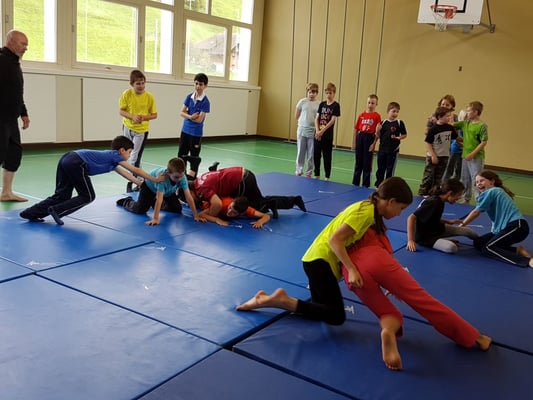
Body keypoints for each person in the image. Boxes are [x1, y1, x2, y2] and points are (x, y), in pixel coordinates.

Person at [237, 177, 413, 329]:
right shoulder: (365, 213)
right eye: (401, 208)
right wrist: (351, 269)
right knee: (336, 316)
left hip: (315, 260)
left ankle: (277, 300)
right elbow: (335, 240)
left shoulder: (367, 209)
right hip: (320, 263)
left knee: (317, 310)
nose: (399, 214)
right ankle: (282, 300)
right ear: (391, 201)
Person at [343, 227, 492, 370]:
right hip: (375, 257)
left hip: (350, 270)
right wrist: (393, 284)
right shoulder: (371, 223)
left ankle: (388, 330)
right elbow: (387, 256)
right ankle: (477, 338)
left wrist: (350, 269)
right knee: (424, 303)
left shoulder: (341, 229)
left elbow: (333, 250)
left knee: (386, 313)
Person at [19, 136, 165, 225]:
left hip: (67, 158)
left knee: (61, 195)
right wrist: (154, 179)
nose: (129, 155)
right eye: (129, 152)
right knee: (88, 196)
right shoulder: (115, 155)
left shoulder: (113, 161)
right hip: (77, 162)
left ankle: (30, 213)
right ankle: (56, 210)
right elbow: (135, 170)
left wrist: (140, 183)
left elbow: (126, 174)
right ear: (121, 150)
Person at [459, 170, 533, 268]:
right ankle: (517, 250)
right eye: (476, 182)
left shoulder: (492, 191)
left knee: (489, 248)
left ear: (492, 181)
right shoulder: (496, 192)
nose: (478, 184)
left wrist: (462, 225)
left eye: (481, 180)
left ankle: (527, 260)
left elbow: (476, 212)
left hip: (516, 227)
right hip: (506, 228)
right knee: (479, 242)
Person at [191, 166, 306, 220]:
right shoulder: (199, 180)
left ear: (192, 191)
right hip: (243, 175)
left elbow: (217, 204)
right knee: (257, 201)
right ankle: (292, 201)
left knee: (248, 206)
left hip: (241, 181)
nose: (190, 200)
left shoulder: (201, 189)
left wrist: (214, 218)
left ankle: (270, 203)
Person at [116, 157, 204, 225]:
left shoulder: (182, 177)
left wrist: (196, 215)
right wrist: (155, 218)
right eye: (176, 177)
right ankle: (127, 201)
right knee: (140, 209)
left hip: (168, 191)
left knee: (177, 209)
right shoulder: (162, 178)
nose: (179, 179)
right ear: (168, 173)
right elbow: (159, 199)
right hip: (149, 188)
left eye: (181, 176)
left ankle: (152, 202)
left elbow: (188, 196)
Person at [407, 179, 478, 254]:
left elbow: (430, 218)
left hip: (435, 229)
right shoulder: (433, 202)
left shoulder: (440, 200)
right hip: (425, 237)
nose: (459, 198)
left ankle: (481, 242)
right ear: (450, 193)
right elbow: (411, 218)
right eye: (459, 195)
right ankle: (440, 240)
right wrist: (410, 240)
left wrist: (448, 221)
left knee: (468, 231)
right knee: (451, 248)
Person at [0, 30, 30, 202]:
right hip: (0, 118)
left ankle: (6, 192)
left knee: (14, 154)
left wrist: (23, 113)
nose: (26, 48)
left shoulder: (14, 62)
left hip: (10, 119)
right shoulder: (2, 60)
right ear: (10, 41)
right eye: (23, 44)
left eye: (26, 44)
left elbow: (16, 93)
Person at [119, 69, 158, 192]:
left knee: (134, 157)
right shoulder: (127, 94)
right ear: (132, 84)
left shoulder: (149, 97)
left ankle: (132, 182)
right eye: (138, 83)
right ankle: (141, 180)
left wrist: (144, 118)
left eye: (143, 83)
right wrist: (132, 116)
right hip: (127, 127)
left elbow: (154, 115)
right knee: (128, 156)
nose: (141, 86)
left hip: (141, 131)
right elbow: (121, 111)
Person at [199, 195, 306, 229]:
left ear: (241, 213)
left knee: (260, 205)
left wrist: (260, 222)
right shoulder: (223, 205)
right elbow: (202, 214)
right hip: (201, 202)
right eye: (230, 208)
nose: (229, 212)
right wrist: (217, 220)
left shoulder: (246, 210)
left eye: (233, 212)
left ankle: (270, 203)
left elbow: (266, 216)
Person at [417, 107, 458, 196]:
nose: (449, 118)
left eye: (450, 116)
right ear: (439, 117)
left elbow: (456, 138)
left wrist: (466, 142)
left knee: (438, 178)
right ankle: (422, 194)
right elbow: (428, 143)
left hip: (444, 156)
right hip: (433, 156)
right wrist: (433, 155)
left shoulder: (450, 128)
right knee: (428, 177)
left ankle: (434, 194)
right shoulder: (433, 129)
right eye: (447, 116)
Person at [178, 72, 211, 180]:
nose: (198, 86)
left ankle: (192, 180)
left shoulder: (205, 102)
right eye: (196, 83)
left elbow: (200, 120)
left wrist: (188, 115)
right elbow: (181, 112)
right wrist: (191, 116)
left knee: (194, 157)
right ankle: (181, 177)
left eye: (201, 84)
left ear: (205, 86)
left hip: (196, 133)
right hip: (185, 130)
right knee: (181, 155)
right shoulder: (189, 97)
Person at [455, 101, 488, 203]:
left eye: (468, 111)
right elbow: (452, 125)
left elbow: (483, 142)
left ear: (475, 112)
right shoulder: (465, 123)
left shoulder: (481, 126)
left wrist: (472, 154)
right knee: (465, 178)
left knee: (477, 179)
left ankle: (480, 200)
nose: (467, 113)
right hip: (465, 156)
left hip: (476, 157)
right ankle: (466, 198)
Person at [371, 101, 407, 188]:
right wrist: (377, 130)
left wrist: (399, 138)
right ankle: (379, 184)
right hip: (382, 150)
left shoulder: (399, 122)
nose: (395, 113)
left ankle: (388, 186)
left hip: (393, 150)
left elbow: (404, 134)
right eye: (393, 111)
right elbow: (378, 136)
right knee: (380, 168)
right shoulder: (383, 123)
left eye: (397, 112)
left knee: (390, 169)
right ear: (388, 111)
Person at [353, 94, 381, 187]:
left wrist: (374, 143)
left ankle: (365, 184)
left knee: (367, 162)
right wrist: (354, 142)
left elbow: (377, 132)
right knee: (358, 161)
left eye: (372, 103)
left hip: (369, 138)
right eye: (369, 102)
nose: (370, 105)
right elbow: (356, 129)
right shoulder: (361, 115)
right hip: (361, 137)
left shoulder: (377, 116)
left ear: (376, 104)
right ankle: (355, 183)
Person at [314, 82, 340, 181]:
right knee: (316, 155)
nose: (328, 95)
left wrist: (322, 131)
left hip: (327, 136)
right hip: (318, 134)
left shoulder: (336, 105)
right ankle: (316, 175)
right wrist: (317, 131)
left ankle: (327, 176)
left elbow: (332, 120)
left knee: (327, 156)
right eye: (327, 93)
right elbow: (317, 118)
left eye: (330, 93)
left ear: (334, 93)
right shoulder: (322, 104)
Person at [295, 83, 320, 178]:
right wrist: (303, 122)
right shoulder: (302, 102)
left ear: (317, 93)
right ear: (307, 92)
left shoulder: (319, 104)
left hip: (313, 132)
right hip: (302, 131)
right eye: (310, 92)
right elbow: (296, 115)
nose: (311, 94)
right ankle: (299, 170)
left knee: (311, 154)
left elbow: (319, 118)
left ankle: (309, 172)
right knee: (300, 152)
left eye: (314, 92)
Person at [442, 108, 465, 182]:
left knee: (459, 169)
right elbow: (457, 138)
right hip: (455, 149)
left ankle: (455, 184)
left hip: (463, 150)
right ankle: (444, 183)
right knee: (449, 168)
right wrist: (465, 145)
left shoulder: (468, 127)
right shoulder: (458, 126)